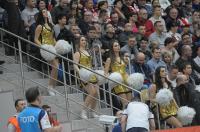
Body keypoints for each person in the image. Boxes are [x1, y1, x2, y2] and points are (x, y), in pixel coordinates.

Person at [34, 9, 59, 96]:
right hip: (46, 49)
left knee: (57, 68)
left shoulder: (50, 25)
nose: (46, 13)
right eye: (44, 12)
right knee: (55, 67)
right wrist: (43, 47)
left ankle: (53, 87)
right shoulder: (40, 26)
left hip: (53, 48)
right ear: (41, 14)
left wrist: (58, 46)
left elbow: (53, 39)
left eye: (46, 12)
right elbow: (35, 39)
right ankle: (49, 87)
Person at [73, 36, 99, 119]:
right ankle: (83, 111)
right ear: (79, 42)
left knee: (96, 94)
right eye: (82, 40)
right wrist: (81, 73)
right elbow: (75, 65)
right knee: (92, 92)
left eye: (85, 40)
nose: (84, 41)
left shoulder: (88, 52)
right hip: (84, 75)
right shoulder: (77, 53)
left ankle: (92, 111)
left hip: (91, 74)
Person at [104, 40, 132, 109]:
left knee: (130, 103)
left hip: (126, 81)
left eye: (118, 45)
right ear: (112, 48)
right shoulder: (109, 59)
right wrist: (111, 78)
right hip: (118, 81)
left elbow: (125, 70)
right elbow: (105, 73)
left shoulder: (123, 58)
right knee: (125, 103)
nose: (118, 47)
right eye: (115, 46)